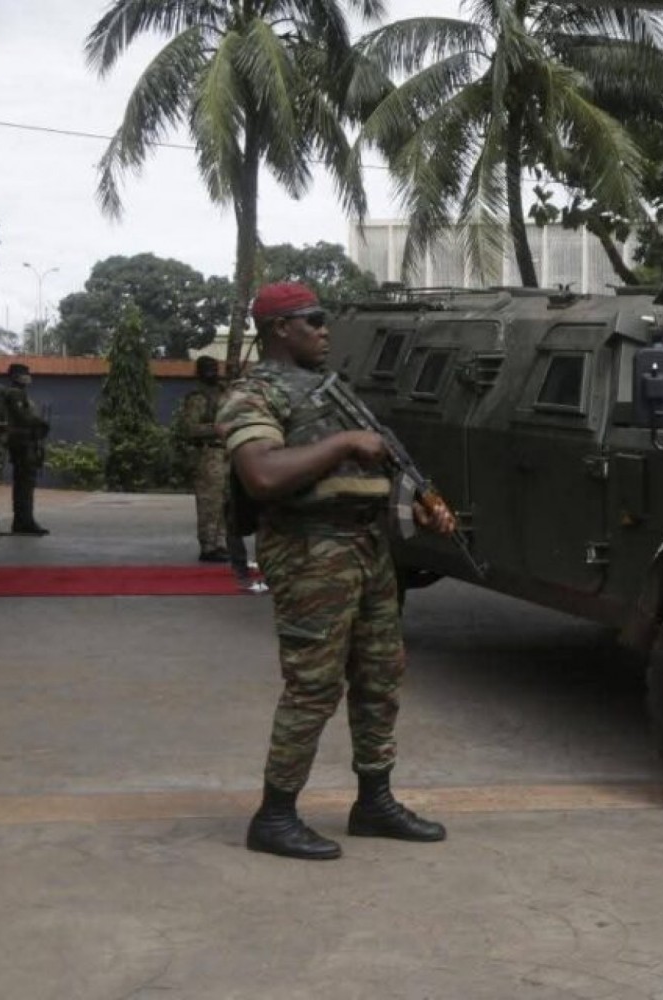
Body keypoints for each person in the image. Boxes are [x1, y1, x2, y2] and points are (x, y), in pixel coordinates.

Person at [219, 281, 456, 860]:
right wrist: (348, 441)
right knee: (313, 685)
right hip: (309, 549)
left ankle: (374, 801)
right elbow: (264, 476)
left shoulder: (332, 389)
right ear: (279, 328)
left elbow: (371, 466)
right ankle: (274, 816)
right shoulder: (253, 394)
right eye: (314, 321)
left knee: (380, 676)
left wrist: (418, 503)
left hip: (366, 545)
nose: (326, 331)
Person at [178, 357, 231, 563]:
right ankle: (208, 546)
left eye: (214, 368)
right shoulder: (198, 397)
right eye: (207, 369)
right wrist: (214, 430)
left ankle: (220, 543)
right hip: (208, 454)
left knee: (225, 502)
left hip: (226, 453)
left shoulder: (223, 392)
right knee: (209, 502)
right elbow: (189, 429)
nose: (212, 372)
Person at [3, 363, 50, 535]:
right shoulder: (15, 393)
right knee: (25, 483)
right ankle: (24, 522)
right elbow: (22, 417)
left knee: (25, 484)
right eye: (24, 374)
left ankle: (23, 521)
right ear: (16, 376)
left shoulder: (20, 394)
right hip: (21, 443)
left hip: (25, 442)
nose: (28, 377)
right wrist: (39, 422)